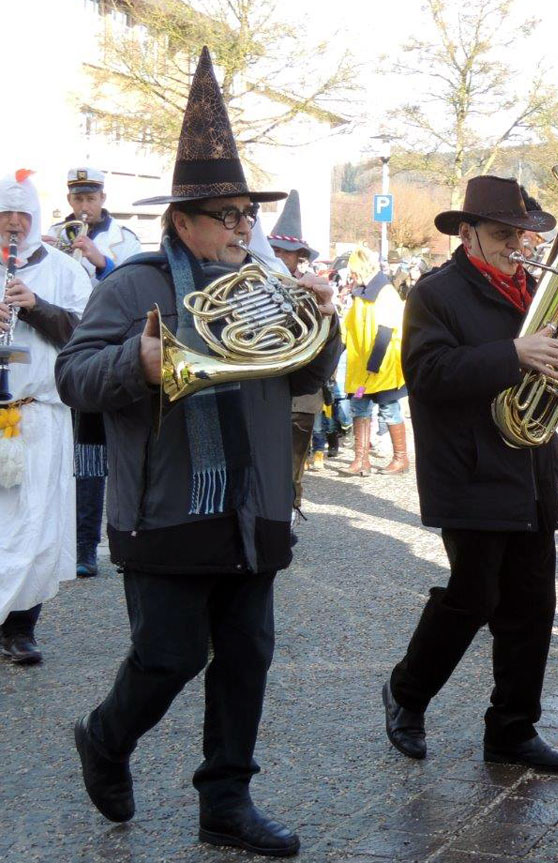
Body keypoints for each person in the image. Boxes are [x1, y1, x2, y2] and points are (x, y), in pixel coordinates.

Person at [56, 48, 340, 857]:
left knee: (247, 653)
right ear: (182, 220)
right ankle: (106, 738)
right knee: (170, 654)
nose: (242, 228)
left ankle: (226, 799)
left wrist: (325, 322)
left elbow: (303, 375)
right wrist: (137, 364)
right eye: (227, 215)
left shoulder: (267, 284)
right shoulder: (133, 285)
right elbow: (75, 374)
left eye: (247, 215)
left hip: (252, 503)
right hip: (165, 502)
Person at [381, 174, 558, 773]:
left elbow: (553, 373)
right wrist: (513, 354)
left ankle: (512, 731)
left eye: (522, 234)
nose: (517, 245)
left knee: (533, 604)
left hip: (530, 465)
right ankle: (407, 691)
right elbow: (428, 375)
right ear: (468, 233)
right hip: (469, 468)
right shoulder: (435, 293)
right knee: (474, 597)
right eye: (503, 234)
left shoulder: (540, 292)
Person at [0, 170, 92, 665]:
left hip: (38, 416)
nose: (13, 224)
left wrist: (35, 307)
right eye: (5, 214)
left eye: (22, 215)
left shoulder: (62, 269)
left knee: (35, 522)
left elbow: (88, 333)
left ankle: (19, 629)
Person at [46, 169, 141, 578]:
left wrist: (101, 260)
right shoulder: (52, 233)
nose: (83, 206)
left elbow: (139, 287)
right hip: (59, 345)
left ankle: (88, 546)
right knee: (57, 456)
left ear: (103, 197)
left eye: (90, 198)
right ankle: (59, 543)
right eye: (77, 198)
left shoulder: (125, 238)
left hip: (105, 349)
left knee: (92, 456)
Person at [267, 190, 329, 534]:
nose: (276, 257)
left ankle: (286, 518)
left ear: (298, 257)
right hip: (264, 389)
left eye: (283, 253)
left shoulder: (311, 292)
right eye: (272, 250)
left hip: (300, 396)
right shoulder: (256, 285)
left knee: (290, 466)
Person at [341, 246, 409, 476]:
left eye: (352, 271)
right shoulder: (360, 293)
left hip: (382, 365)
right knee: (359, 407)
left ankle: (401, 459)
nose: (350, 276)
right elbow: (348, 328)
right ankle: (361, 460)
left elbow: (386, 330)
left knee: (389, 410)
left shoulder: (385, 293)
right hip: (363, 366)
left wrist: (374, 363)